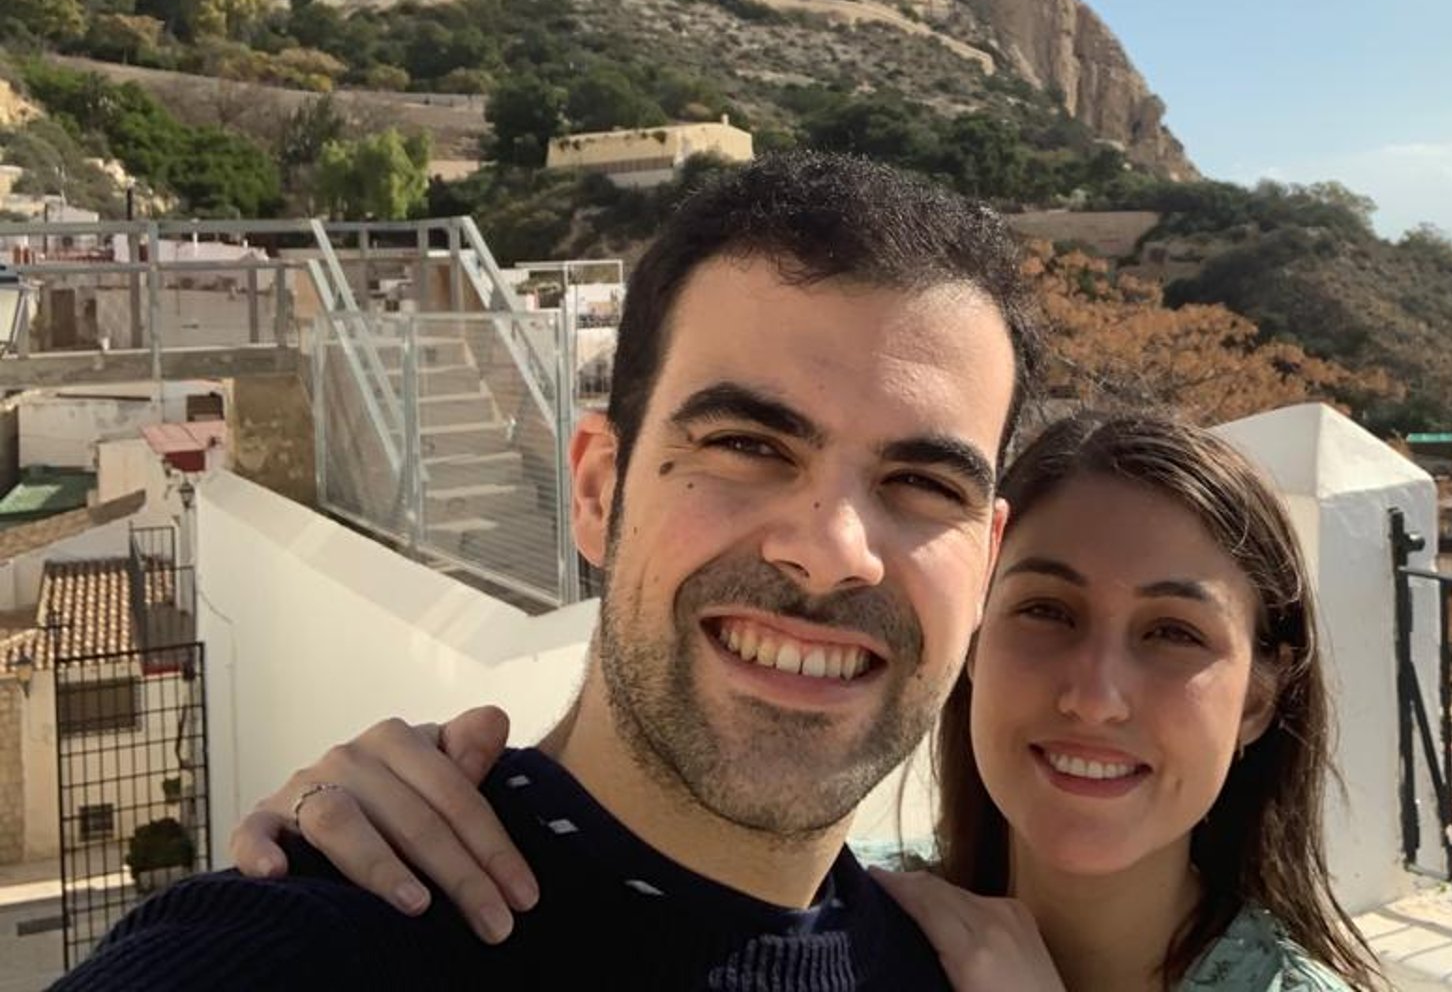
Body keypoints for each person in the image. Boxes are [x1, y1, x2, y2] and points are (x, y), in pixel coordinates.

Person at [56, 150, 1045, 991]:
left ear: (988, 560)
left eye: (921, 482)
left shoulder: (961, 972)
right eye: (748, 447)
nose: (833, 550)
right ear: (597, 492)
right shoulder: (305, 949)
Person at [235, 412, 1381, 991]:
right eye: (1046, 610)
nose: (1097, 692)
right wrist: (373, 813)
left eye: (1175, 635)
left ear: (1259, 696)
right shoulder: (841, 913)